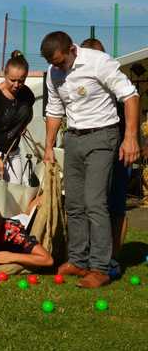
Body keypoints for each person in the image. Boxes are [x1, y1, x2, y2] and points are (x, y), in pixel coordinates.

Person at [42, 31, 140, 288]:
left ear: (72, 50)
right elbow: (54, 109)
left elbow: (130, 96)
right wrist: (49, 146)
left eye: (60, 62)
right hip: (72, 139)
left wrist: (130, 137)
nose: (57, 67)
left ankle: (100, 267)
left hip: (102, 137)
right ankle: (78, 260)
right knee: (73, 203)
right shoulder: (53, 73)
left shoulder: (98, 61)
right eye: (53, 64)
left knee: (95, 202)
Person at [80, 38, 129, 262]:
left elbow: (132, 106)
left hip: (119, 155)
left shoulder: (117, 86)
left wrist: (132, 142)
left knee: (116, 206)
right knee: (90, 205)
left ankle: (113, 257)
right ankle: (91, 253)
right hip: (90, 154)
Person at [0, 50, 35, 184]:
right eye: (12, 80)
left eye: (21, 81)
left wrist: (22, 126)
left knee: (16, 189)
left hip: (13, 150)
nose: (16, 85)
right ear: (5, 75)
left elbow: (28, 113)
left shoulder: (27, 95)